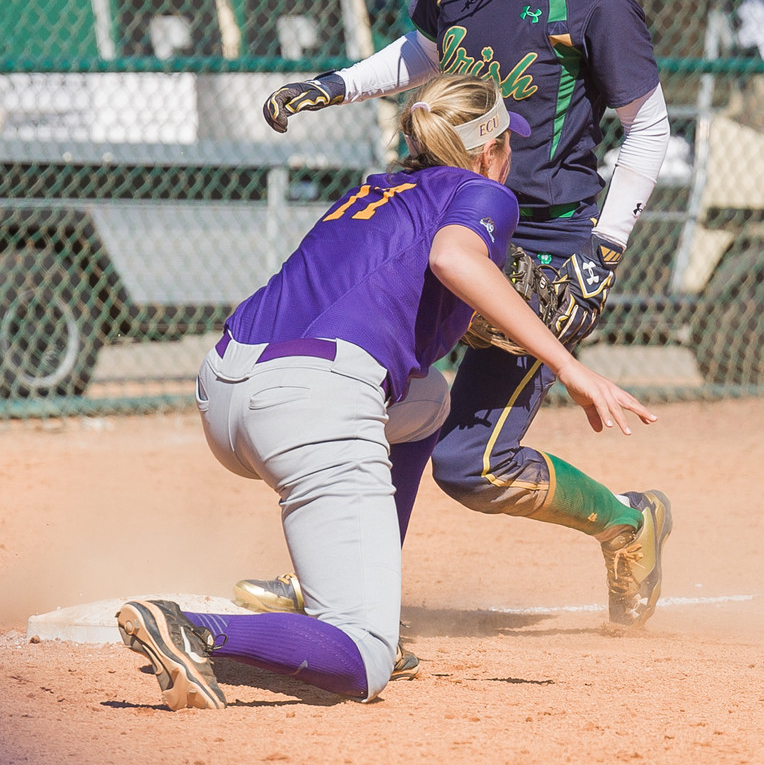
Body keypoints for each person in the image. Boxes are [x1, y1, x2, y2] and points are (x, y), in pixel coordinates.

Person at [248, 0, 673, 649]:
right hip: (444, 212)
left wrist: (608, 246)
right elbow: (425, 56)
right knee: (375, 388)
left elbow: (649, 129)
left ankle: (628, 522)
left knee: (469, 467)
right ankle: (336, 581)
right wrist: (337, 83)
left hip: (544, 245)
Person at [115, 73, 658, 711]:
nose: (510, 156)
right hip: (309, 408)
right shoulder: (483, 191)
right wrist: (569, 365)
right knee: (362, 657)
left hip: (225, 390)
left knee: (428, 400)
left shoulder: (373, 192)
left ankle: (374, 600)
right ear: (486, 152)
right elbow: (456, 260)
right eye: (506, 144)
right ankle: (194, 630)